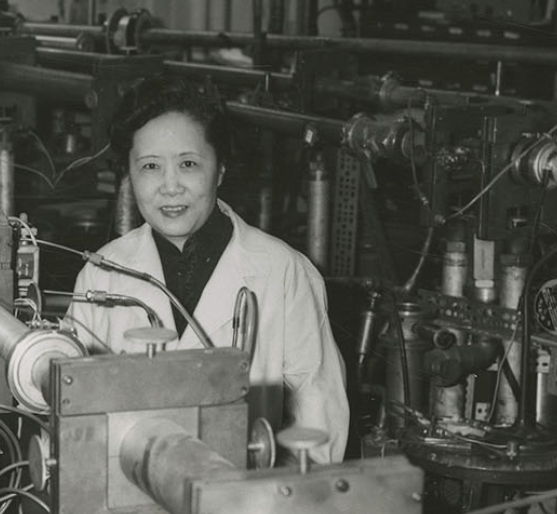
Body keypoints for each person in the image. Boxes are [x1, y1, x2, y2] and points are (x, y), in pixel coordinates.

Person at [66, 74, 350, 464]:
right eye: (150, 166)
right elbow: (76, 411)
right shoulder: (103, 274)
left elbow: (320, 423)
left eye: (188, 164)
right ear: (129, 175)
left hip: (247, 505)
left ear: (220, 170)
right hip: (130, 501)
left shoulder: (283, 272)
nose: (170, 186)